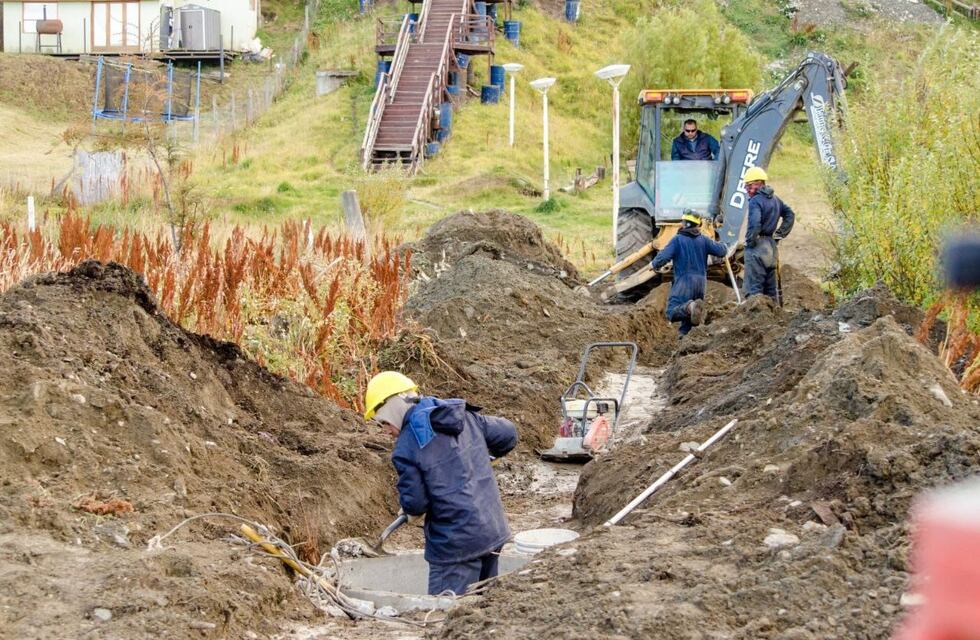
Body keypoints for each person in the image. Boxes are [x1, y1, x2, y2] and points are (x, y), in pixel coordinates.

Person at [363, 371, 518, 596]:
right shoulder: (460, 415)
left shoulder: (406, 446)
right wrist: (479, 457)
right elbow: (508, 434)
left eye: (384, 423)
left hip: (456, 547)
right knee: (483, 610)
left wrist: (411, 509)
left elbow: (416, 503)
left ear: (394, 407)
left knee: (445, 618)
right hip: (491, 531)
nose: (386, 431)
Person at [651, 211, 728, 336]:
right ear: (698, 224)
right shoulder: (704, 239)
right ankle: (684, 339)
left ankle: (689, 307)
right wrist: (723, 245)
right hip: (701, 284)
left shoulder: (677, 240)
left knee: (671, 312)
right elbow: (721, 251)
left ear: (683, 223)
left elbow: (663, 257)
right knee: (689, 321)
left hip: (684, 282)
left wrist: (654, 264)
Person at [742, 166, 795, 301]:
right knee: (771, 292)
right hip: (771, 248)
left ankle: (756, 319)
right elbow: (790, 214)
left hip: (758, 247)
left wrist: (750, 242)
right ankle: (773, 317)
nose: (747, 189)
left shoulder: (755, 201)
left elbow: (755, 224)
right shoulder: (776, 199)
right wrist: (779, 234)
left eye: (749, 185)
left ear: (758, 183)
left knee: (754, 291)